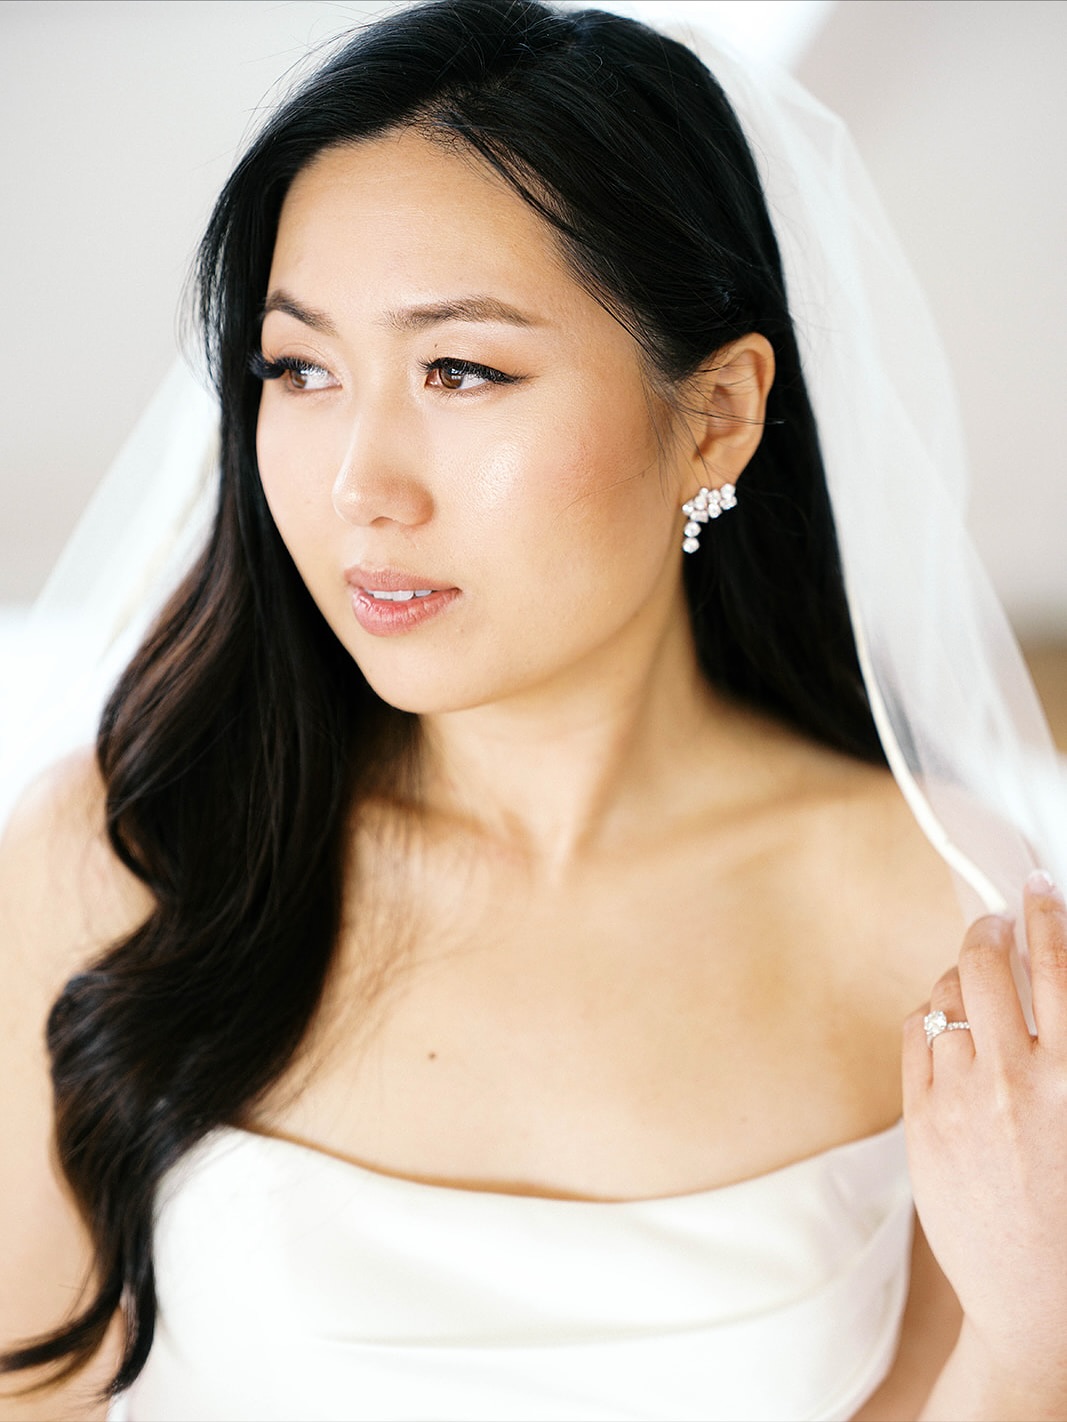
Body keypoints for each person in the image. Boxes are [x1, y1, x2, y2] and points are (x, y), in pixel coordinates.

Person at [1, 1, 1065, 1418]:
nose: (360, 484)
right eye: (300, 368)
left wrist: (1038, 1327)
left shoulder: (938, 914)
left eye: (461, 371)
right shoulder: (133, 853)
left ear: (718, 416)